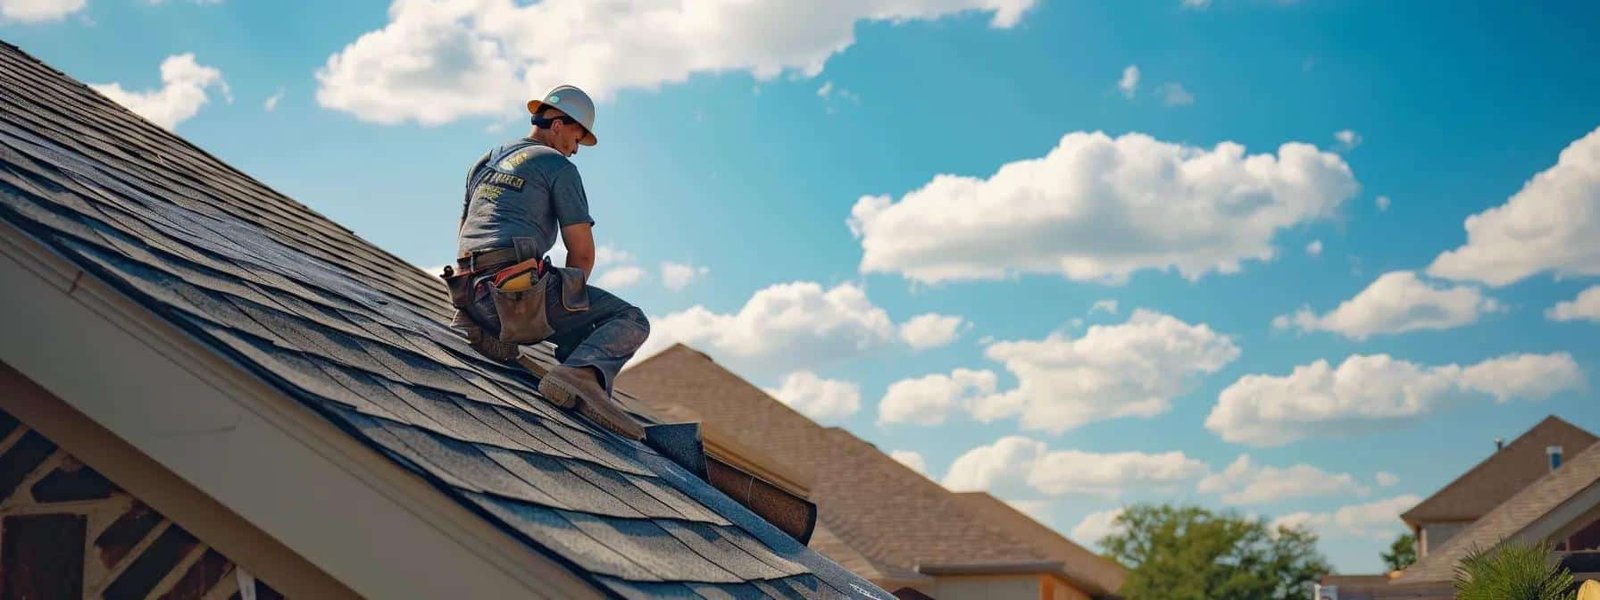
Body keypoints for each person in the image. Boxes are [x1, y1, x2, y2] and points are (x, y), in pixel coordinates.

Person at [446, 84, 648, 440]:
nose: (575, 151)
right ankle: (579, 375)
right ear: (558, 125)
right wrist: (571, 311)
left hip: (468, 299)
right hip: (513, 300)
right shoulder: (557, 166)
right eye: (575, 138)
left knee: (565, 298)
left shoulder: (486, 158)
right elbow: (582, 254)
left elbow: (465, 233)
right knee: (629, 318)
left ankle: (493, 329)